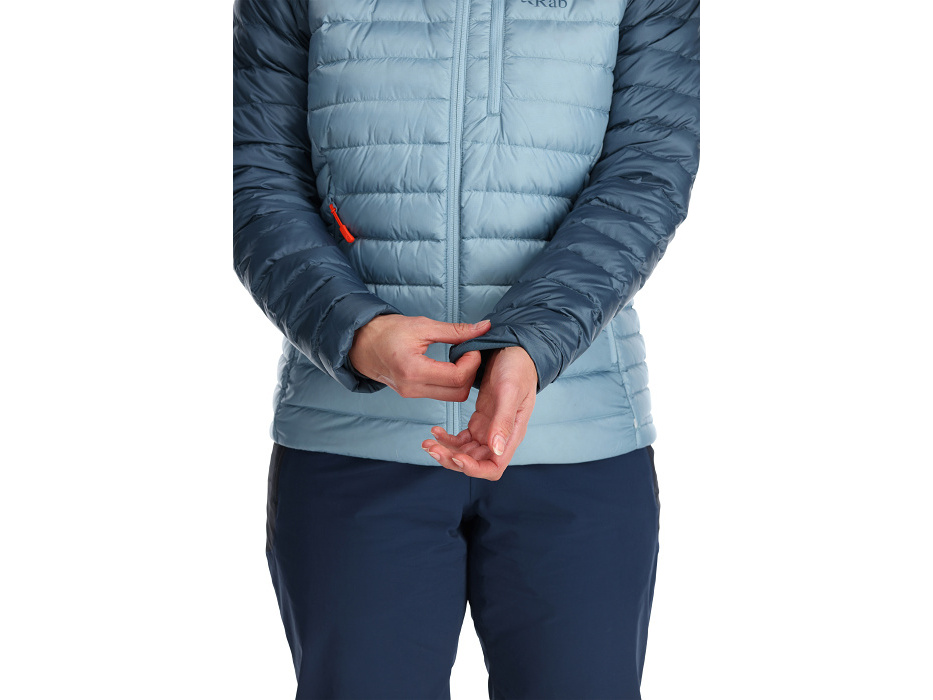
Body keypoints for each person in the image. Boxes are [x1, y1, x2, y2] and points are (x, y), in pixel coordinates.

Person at [233, 0, 699, 697]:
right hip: (352, 442)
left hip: (575, 439)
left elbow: (647, 171)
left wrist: (532, 344)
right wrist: (358, 332)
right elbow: (252, 175)